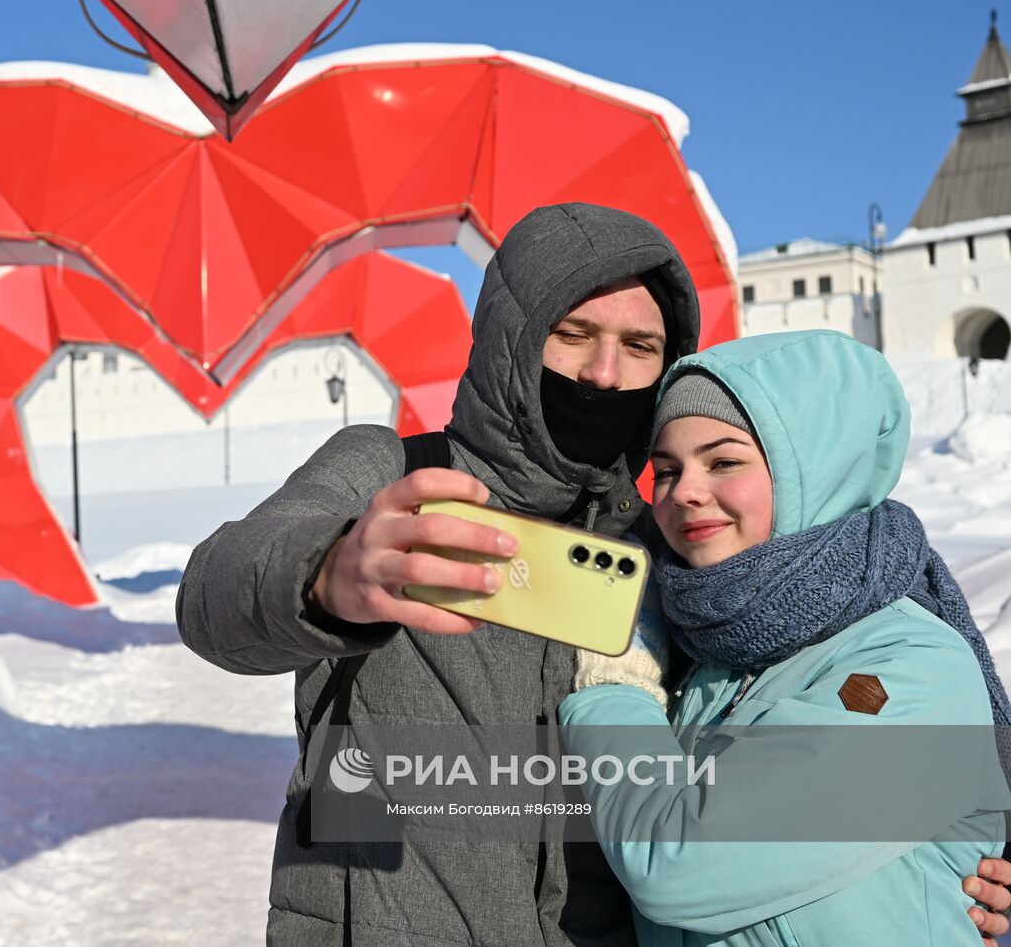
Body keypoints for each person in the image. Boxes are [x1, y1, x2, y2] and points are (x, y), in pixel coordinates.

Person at [176, 204, 1011, 945]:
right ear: (513, 336)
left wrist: (958, 849)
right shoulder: (394, 475)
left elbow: (784, 760)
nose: (603, 373)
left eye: (639, 347)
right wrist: (324, 574)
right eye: (572, 333)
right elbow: (212, 597)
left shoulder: (673, 551)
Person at [560, 329, 1011, 946]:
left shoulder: (911, 668)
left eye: (724, 461)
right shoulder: (705, 660)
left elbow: (677, 864)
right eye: (666, 469)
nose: (684, 490)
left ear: (814, 468)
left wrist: (615, 688)